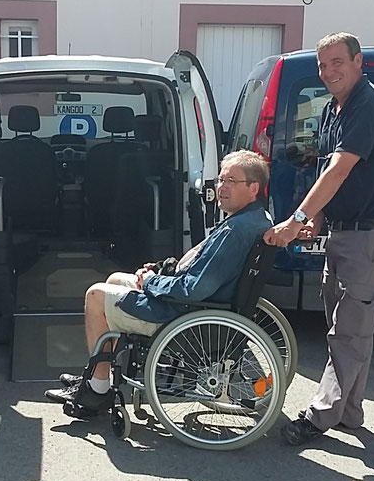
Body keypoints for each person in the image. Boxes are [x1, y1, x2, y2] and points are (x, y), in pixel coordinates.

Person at [45, 151, 272, 410]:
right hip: (206, 306)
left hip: (187, 315)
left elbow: (194, 289)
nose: (222, 187)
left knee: (96, 295)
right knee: (116, 279)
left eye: (232, 181)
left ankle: (97, 391)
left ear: (253, 188)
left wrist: (151, 282)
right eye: (221, 180)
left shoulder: (235, 231)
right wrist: (160, 272)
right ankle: (100, 376)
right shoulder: (255, 220)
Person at [263, 32, 374, 445]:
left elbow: (339, 169)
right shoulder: (330, 111)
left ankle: (320, 416)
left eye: (337, 62)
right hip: (341, 233)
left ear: (359, 61)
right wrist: (316, 221)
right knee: (349, 329)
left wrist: (296, 218)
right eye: (323, 65)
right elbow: (328, 175)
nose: (328, 72)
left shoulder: (368, 104)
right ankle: (349, 412)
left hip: (368, 236)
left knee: (349, 330)